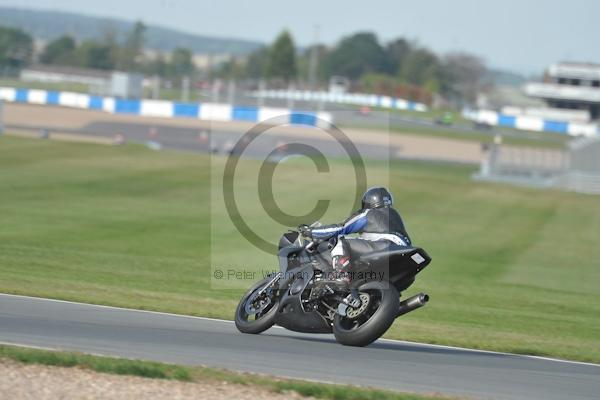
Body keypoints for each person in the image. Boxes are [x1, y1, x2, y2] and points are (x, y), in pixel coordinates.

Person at [298, 187, 411, 289]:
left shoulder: (368, 213)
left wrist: (311, 231)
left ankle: (340, 274)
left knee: (339, 240)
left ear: (368, 202)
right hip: (403, 256)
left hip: (384, 246)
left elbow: (341, 228)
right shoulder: (395, 216)